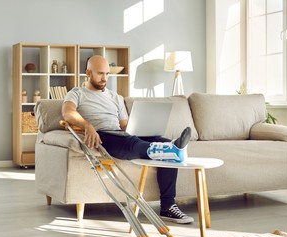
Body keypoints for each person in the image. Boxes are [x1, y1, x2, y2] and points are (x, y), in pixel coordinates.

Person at [62, 55, 193, 224]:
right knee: (134, 144)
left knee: (164, 141)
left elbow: (125, 125)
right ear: (88, 72)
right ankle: (170, 150)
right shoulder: (77, 93)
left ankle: (168, 206)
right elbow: (68, 113)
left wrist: (141, 127)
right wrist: (88, 126)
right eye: (100, 73)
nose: (104, 78)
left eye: (107, 74)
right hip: (104, 135)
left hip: (121, 133)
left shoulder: (115, 97)